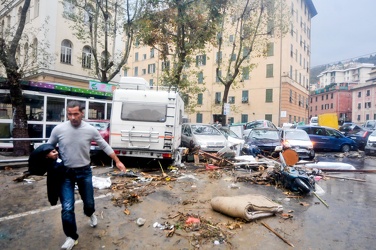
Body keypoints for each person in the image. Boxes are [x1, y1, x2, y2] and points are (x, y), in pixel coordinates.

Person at [48, 100, 126, 250]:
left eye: (76, 114)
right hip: (65, 173)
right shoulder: (58, 129)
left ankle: (90, 213)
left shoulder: (90, 130)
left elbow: (104, 145)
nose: (72, 117)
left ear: (82, 113)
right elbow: (49, 146)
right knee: (67, 208)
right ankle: (72, 236)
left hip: (84, 172)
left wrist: (117, 161)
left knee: (89, 203)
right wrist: (49, 154)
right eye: (69, 114)